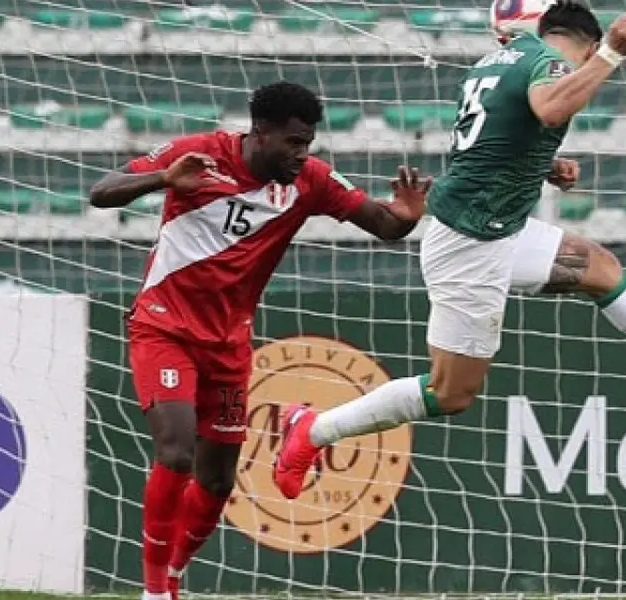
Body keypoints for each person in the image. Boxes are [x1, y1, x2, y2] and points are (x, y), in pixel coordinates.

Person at [270, 0, 626, 499]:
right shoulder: (546, 59)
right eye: (588, 59)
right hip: (471, 245)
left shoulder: (496, 62)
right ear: (580, 47)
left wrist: (543, 166)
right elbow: (548, 106)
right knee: (450, 393)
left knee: (600, 269)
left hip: (497, 228)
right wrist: (613, 53)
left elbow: (494, 143)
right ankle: (313, 429)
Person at [88, 81, 430, 600]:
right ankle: (155, 591)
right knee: (176, 452)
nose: (302, 154)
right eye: (293, 142)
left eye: (308, 143)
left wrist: (404, 218)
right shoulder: (198, 156)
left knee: (219, 480)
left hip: (227, 344)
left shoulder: (309, 181)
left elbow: (383, 223)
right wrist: (163, 179)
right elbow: (100, 191)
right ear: (261, 132)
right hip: (164, 325)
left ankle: (175, 575)